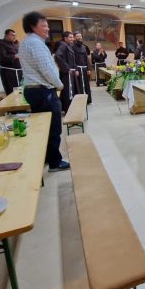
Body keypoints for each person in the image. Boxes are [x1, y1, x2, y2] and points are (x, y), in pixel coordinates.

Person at [18, 11, 69, 172]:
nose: (47, 29)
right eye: (44, 26)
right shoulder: (36, 44)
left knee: (44, 126)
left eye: (47, 25)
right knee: (53, 127)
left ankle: (47, 156)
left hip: (34, 90)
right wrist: (59, 85)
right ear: (33, 26)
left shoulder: (26, 42)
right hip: (42, 90)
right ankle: (54, 161)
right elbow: (46, 69)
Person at [54, 31, 78, 112]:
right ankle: (68, 110)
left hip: (70, 73)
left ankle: (69, 108)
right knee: (68, 92)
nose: (72, 39)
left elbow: (72, 60)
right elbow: (57, 56)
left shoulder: (68, 46)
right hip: (66, 73)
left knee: (70, 91)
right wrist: (67, 68)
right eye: (70, 37)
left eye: (72, 37)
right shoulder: (63, 45)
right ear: (65, 38)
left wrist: (75, 69)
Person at [0, 28, 22, 95]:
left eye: (15, 35)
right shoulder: (0, 45)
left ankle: (20, 101)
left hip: (18, 72)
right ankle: (15, 101)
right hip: (9, 73)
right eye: (12, 35)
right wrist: (14, 56)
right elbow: (2, 57)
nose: (14, 37)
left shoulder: (14, 44)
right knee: (13, 92)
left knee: (20, 92)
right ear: (6, 35)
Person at [72, 31, 92, 104]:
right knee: (79, 85)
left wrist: (88, 69)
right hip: (78, 70)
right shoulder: (72, 47)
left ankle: (87, 100)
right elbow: (73, 59)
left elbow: (86, 58)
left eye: (80, 36)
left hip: (84, 69)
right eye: (78, 36)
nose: (80, 37)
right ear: (74, 38)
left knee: (86, 85)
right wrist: (75, 69)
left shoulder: (83, 47)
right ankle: (80, 101)